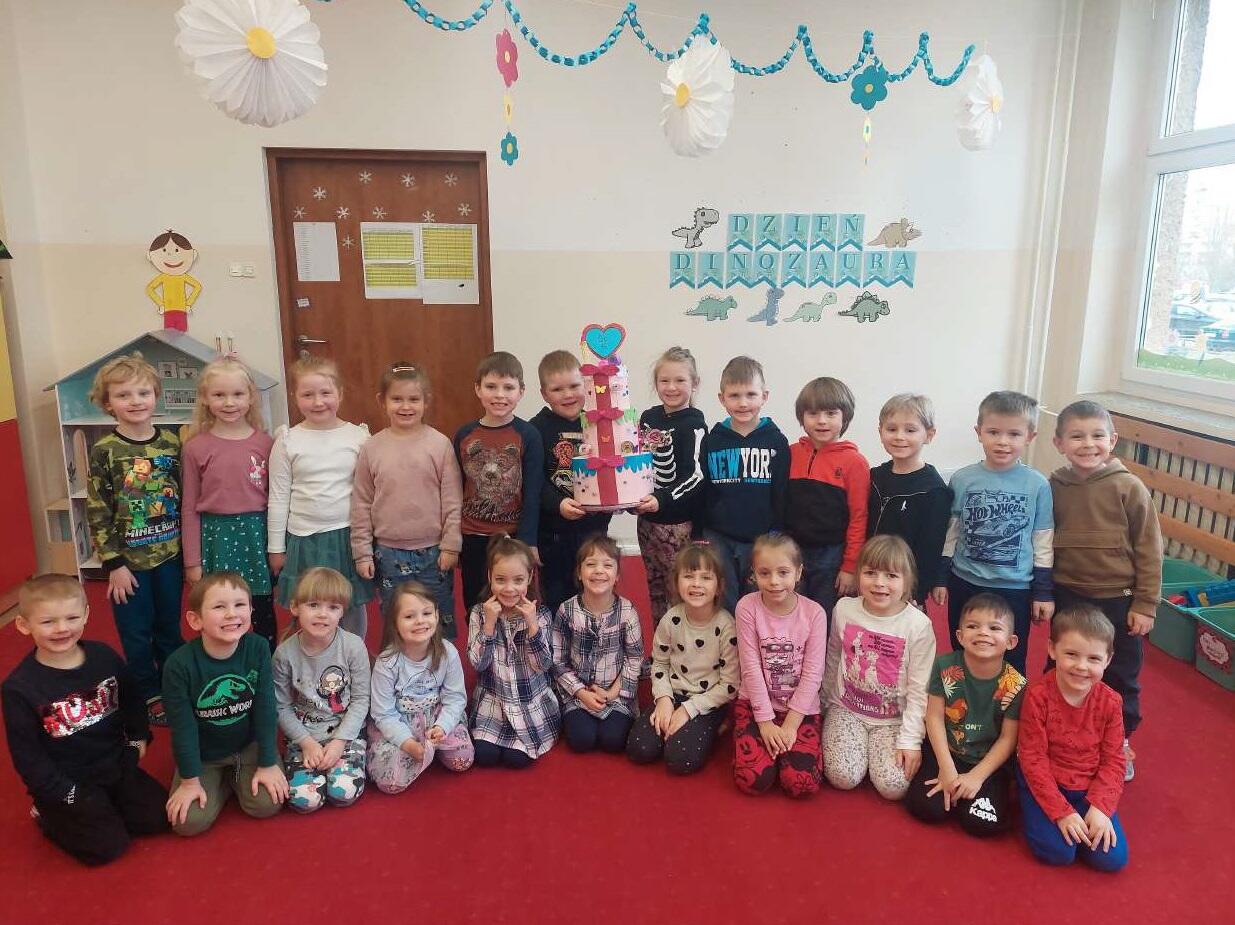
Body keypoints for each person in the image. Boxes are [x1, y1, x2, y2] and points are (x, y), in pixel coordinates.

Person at [1, 574, 167, 865]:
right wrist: (63, 793)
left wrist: (138, 738)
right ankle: (47, 815)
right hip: (69, 781)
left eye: (72, 617)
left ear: (87, 615)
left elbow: (132, 700)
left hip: (115, 764)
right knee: (109, 847)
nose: (62, 628)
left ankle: (103, 807)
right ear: (24, 625)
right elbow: (28, 757)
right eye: (48, 621)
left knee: (160, 818)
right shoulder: (19, 688)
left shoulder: (104, 656)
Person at [1050, 400, 1162, 781]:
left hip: (1118, 600)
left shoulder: (1129, 487)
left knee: (1117, 675)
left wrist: (1145, 603)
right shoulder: (1055, 486)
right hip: (1068, 595)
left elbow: (1149, 549)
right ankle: (1059, 735)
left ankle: (1118, 744)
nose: (1088, 444)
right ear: (1059, 443)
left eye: (1097, 435)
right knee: (1063, 667)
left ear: (1112, 440)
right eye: (1077, 436)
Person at [85, 353, 183, 725]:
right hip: (128, 566)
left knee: (169, 628)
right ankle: (148, 694)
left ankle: (174, 686)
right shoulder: (105, 450)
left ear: (156, 395)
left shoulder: (172, 442)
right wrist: (113, 564)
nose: (135, 401)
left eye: (143, 392)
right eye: (123, 395)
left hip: (169, 557)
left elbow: (184, 496)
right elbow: (98, 508)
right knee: (136, 634)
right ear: (108, 403)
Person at [162, 573, 288, 836]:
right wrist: (190, 781)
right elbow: (182, 728)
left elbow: (266, 708)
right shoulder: (179, 665)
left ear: (251, 610)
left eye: (240, 605)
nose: (232, 614)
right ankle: (221, 780)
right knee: (188, 823)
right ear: (195, 620)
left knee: (267, 804)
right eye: (219, 607)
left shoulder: (257, 647)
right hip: (205, 754)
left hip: (247, 745)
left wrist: (267, 763)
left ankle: (235, 777)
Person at [940, 391, 1054, 674]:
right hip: (965, 582)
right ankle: (962, 699)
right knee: (963, 650)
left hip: (1014, 588)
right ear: (978, 432)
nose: (1003, 442)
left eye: (1014, 434)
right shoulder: (962, 479)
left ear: (1030, 436)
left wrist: (1042, 592)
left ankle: (1010, 704)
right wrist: (941, 577)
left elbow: (1043, 541)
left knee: (1010, 658)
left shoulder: (1038, 485)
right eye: (993, 432)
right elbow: (951, 532)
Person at [350, 362, 463, 637]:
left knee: (436, 619)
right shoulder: (372, 447)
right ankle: (398, 665)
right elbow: (361, 503)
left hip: (434, 552)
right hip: (388, 553)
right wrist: (362, 551)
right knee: (397, 621)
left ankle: (441, 663)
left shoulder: (439, 444)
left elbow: (452, 500)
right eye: (397, 399)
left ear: (426, 401)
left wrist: (451, 545)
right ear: (382, 401)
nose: (405, 406)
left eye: (413, 399)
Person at [822, 535, 936, 800]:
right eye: (870, 573)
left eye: (891, 576)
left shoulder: (918, 625)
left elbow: (920, 689)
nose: (879, 583)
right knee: (842, 777)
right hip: (846, 709)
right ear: (858, 574)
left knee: (894, 787)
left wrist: (911, 740)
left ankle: (873, 752)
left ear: (907, 581)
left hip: (893, 719)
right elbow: (833, 658)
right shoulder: (844, 609)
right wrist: (823, 706)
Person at [1016, 604, 1128, 871]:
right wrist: (1061, 812)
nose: (1081, 666)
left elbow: (1114, 760)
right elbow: (1032, 758)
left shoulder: (1111, 702)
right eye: (1071, 654)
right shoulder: (1038, 695)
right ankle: (1028, 805)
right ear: (1052, 649)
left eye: (1094, 659)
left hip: (1088, 786)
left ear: (1108, 660)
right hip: (1047, 781)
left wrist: (1100, 807)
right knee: (1059, 852)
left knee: (1111, 859)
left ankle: (1083, 815)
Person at [267, 356, 372, 638]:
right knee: (311, 605)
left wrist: (370, 539)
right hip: (304, 540)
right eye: (308, 395)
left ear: (340, 393)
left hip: (347, 537)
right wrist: (276, 548)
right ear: (295, 396)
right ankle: (314, 657)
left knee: (349, 604)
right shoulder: (287, 440)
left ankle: (353, 654)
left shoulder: (358, 437)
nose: (318, 402)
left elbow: (368, 493)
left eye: (326, 393)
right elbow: (278, 497)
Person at [905, 593, 1026, 835]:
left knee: (981, 823)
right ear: (959, 636)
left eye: (994, 628)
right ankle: (956, 788)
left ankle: (972, 793)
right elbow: (934, 717)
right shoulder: (944, 666)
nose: (983, 633)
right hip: (947, 751)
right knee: (926, 809)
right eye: (973, 626)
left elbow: (1008, 739)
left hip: (987, 762)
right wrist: (947, 767)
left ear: (1011, 641)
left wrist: (977, 777)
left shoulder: (1016, 684)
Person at [181, 356, 277, 649]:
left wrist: (277, 547)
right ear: (205, 398)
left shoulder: (266, 444)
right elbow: (189, 507)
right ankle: (222, 659)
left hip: (256, 535)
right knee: (220, 608)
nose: (229, 402)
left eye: (237, 394)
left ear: (251, 397)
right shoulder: (195, 447)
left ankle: (264, 662)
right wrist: (192, 561)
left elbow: (277, 500)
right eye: (219, 395)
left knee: (261, 609)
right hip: (216, 538)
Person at [627, 541, 738, 774]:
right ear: (677, 583)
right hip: (673, 692)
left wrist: (689, 710)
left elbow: (729, 685)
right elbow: (659, 663)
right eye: (688, 576)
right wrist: (664, 699)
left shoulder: (726, 626)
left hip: (707, 701)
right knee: (640, 749)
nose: (696, 584)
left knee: (679, 759)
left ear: (719, 586)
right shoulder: (670, 619)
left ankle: (715, 725)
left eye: (706, 578)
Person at [732, 534, 827, 798]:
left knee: (801, 785)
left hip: (800, 709)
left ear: (798, 572)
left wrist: (791, 725)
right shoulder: (746, 607)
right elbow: (750, 667)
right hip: (756, 704)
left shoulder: (815, 613)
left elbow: (813, 673)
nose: (774, 581)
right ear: (754, 574)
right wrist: (765, 723)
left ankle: (785, 752)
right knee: (753, 781)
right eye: (764, 573)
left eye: (783, 572)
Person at [272, 568, 371, 813]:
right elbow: (281, 706)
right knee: (304, 800)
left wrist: (339, 742)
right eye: (313, 605)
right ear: (295, 607)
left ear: (342, 611)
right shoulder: (284, 654)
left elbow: (361, 699)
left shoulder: (353, 646)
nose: (322, 614)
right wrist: (306, 743)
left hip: (346, 733)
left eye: (333, 607)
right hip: (304, 735)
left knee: (343, 792)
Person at [454, 352, 544, 614]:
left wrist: (528, 541)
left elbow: (533, 492)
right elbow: (456, 487)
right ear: (477, 389)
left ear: (521, 391)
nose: (499, 395)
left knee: (515, 604)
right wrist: (454, 538)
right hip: (473, 537)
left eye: (508, 387)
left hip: (513, 538)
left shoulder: (528, 435)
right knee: (476, 606)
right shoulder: (464, 435)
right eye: (491, 387)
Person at [699, 356, 790, 612]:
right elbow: (704, 488)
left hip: (761, 538)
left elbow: (781, 490)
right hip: (719, 536)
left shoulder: (776, 441)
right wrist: (701, 531)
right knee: (724, 598)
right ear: (722, 398)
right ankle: (730, 639)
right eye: (734, 395)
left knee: (758, 600)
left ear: (764, 396)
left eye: (751, 394)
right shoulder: (712, 441)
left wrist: (777, 531)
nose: (743, 403)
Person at [367, 580, 474, 794]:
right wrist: (406, 742)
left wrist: (442, 727)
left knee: (463, 760)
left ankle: (432, 750)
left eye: (426, 613)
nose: (420, 621)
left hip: (435, 716)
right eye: (409, 616)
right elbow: (383, 712)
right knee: (390, 784)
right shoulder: (387, 662)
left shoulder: (447, 652)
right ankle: (416, 752)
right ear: (395, 622)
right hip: (400, 721)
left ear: (436, 615)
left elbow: (455, 698)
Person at [467, 536, 559, 768]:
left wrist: (532, 627)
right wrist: (489, 625)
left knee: (516, 760)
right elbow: (478, 663)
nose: (509, 589)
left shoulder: (541, 614)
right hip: (494, 701)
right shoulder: (479, 612)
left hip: (529, 702)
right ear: (490, 576)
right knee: (484, 756)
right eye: (500, 580)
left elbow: (544, 665)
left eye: (518, 580)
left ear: (529, 577)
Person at [531, 350, 612, 612]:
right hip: (554, 535)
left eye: (574, 386)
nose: (567, 395)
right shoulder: (536, 429)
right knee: (558, 599)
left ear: (586, 385)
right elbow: (535, 482)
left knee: (596, 595)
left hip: (594, 531)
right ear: (544, 394)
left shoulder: (600, 424)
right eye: (557, 389)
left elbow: (612, 470)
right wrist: (558, 504)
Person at [550, 534, 643, 753]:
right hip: (577, 691)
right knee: (582, 740)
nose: (599, 571)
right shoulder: (566, 610)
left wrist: (612, 693)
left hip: (615, 691)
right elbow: (558, 660)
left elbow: (634, 658)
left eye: (607, 565)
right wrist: (581, 693)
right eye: (590, 564)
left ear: (617, 575)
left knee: (613, 740)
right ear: (579, 573)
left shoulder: (627, 611)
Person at [784, 376, 869, 616]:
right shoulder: (791, 453)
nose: (822, 421)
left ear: (845, 417)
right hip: (792, 552)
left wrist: (850, 566)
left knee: (824, 615)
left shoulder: (855, 462)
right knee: (792, 613)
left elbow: (859, 517)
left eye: (831, 413)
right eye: (813, 413)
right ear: (802, 417)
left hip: (831, 556)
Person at [634, 346, 708, 623]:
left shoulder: (695, 425)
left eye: (680, 380)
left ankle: (685, 645)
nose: (671, 387)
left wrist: (662, 499)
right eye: (664, 380)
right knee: (654, 591)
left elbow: (696, 476)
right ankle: (661, 644)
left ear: (694, 383)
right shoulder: (647, 418)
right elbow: (637, 462)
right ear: (656, 383)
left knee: (681, 592)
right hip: (646, 523)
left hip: (678, 528)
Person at [867, 394, 952, 605]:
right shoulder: (874, 476)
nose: (899, 436)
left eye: (910, 430)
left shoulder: (934, 490)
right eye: (891, 429)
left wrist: (916, 592)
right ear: (880, 432)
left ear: (929, 435)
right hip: (869, 579)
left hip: (905, 590)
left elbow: (930, 548)